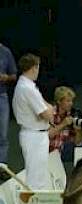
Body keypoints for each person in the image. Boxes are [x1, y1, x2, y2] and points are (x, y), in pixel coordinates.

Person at [12, 53, 54, 191]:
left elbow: (44, 105)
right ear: (34, 68)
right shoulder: (27, 88)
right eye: (38, 67)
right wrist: (50, 110)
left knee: (39, 174)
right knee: (36, 178)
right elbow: (47, 113)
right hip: (34, 136)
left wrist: (49, 109)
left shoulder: (28, 85)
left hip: (37, 135)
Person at [47, 86, 82, 190]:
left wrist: (78, 130)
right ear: (59, 101)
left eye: (71, 101)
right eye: (68, 101)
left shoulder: (73, 115)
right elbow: (48, 135)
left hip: (62, 149)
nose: (71, 103)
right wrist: (63, 124)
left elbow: (78, 143)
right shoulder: (49, 113)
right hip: (48, 150)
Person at [0, 41, 16, 169]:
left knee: (3, 133)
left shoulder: (5, 52)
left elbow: (14, 75)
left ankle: (2, 166)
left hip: (1, 95)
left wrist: (6, 77)